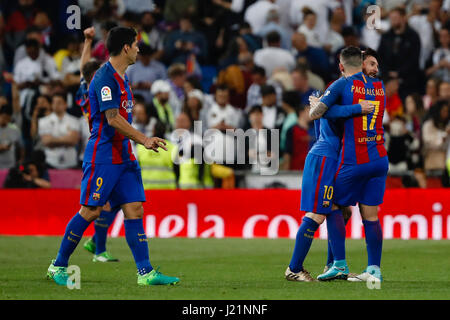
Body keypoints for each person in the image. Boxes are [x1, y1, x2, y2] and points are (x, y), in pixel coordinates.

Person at [46, 26, 179, 287]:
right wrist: (144, 139)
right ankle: (58, 265)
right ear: (126, 47)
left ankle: (146, 273)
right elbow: (112, 118)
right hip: (104, 156)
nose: (139, 49)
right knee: (91, 211)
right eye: (136, 44)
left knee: (135, 209)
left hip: (124, 156)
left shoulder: (121, 77)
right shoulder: (105, 77)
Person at [285, 46, 376, 282]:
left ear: (341, 64)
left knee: (342, 210)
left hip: (337, 157)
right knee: (318, 212)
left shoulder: (344, 89)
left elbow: (321, 113)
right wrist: (357, 108)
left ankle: (333, 267)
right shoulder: (341, 87)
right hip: (325, 157)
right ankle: (294, 268)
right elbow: (315, 114)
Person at [311, 47, 389, 282]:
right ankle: (374, 270)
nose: (375, 68)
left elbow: (317, 113)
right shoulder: (379, 87)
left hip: (355, 160)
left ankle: (339, 264)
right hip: (379, 157)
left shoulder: (343, 84)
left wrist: (320, 102)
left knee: (333, 204)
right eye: (372, 64)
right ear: (363, 64)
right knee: (371, 216)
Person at [76, 26, 121, 263]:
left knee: (118, 200)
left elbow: (84, 68)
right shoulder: (92, 91)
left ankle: (96, 243)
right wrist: (87, 41)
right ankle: (99, 250)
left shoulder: (89, 88)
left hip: (110, 147)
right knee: (101, 204)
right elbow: (85, 70)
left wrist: (87, 41)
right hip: (101, 148)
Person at [38, 94, 80, 169]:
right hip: (51, 162)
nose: (56, 105)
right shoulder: (43, 121)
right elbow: (46, 141)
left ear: (65, 104)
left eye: (59, 102)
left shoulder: (74, 120)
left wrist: (53, 140)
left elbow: (73, 141)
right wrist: (66, 139)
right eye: (54, 102)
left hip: (70, 162)